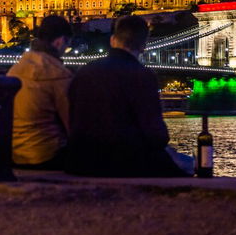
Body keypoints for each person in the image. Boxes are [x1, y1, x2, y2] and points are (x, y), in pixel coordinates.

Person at [66, 15, 191, 177]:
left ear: (112, 40)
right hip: (123, 163)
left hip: (80, 161)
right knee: (188, 163)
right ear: (144, 46)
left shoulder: (85, 71)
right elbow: (157, 135)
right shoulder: (143, 76)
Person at [7, 15, 73, 169]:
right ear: (60, 41)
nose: (65, 51)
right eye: (67, 46)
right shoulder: (58, 73)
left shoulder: (16, 68)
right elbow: (72, 124)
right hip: (46, 156)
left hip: (15, 154)